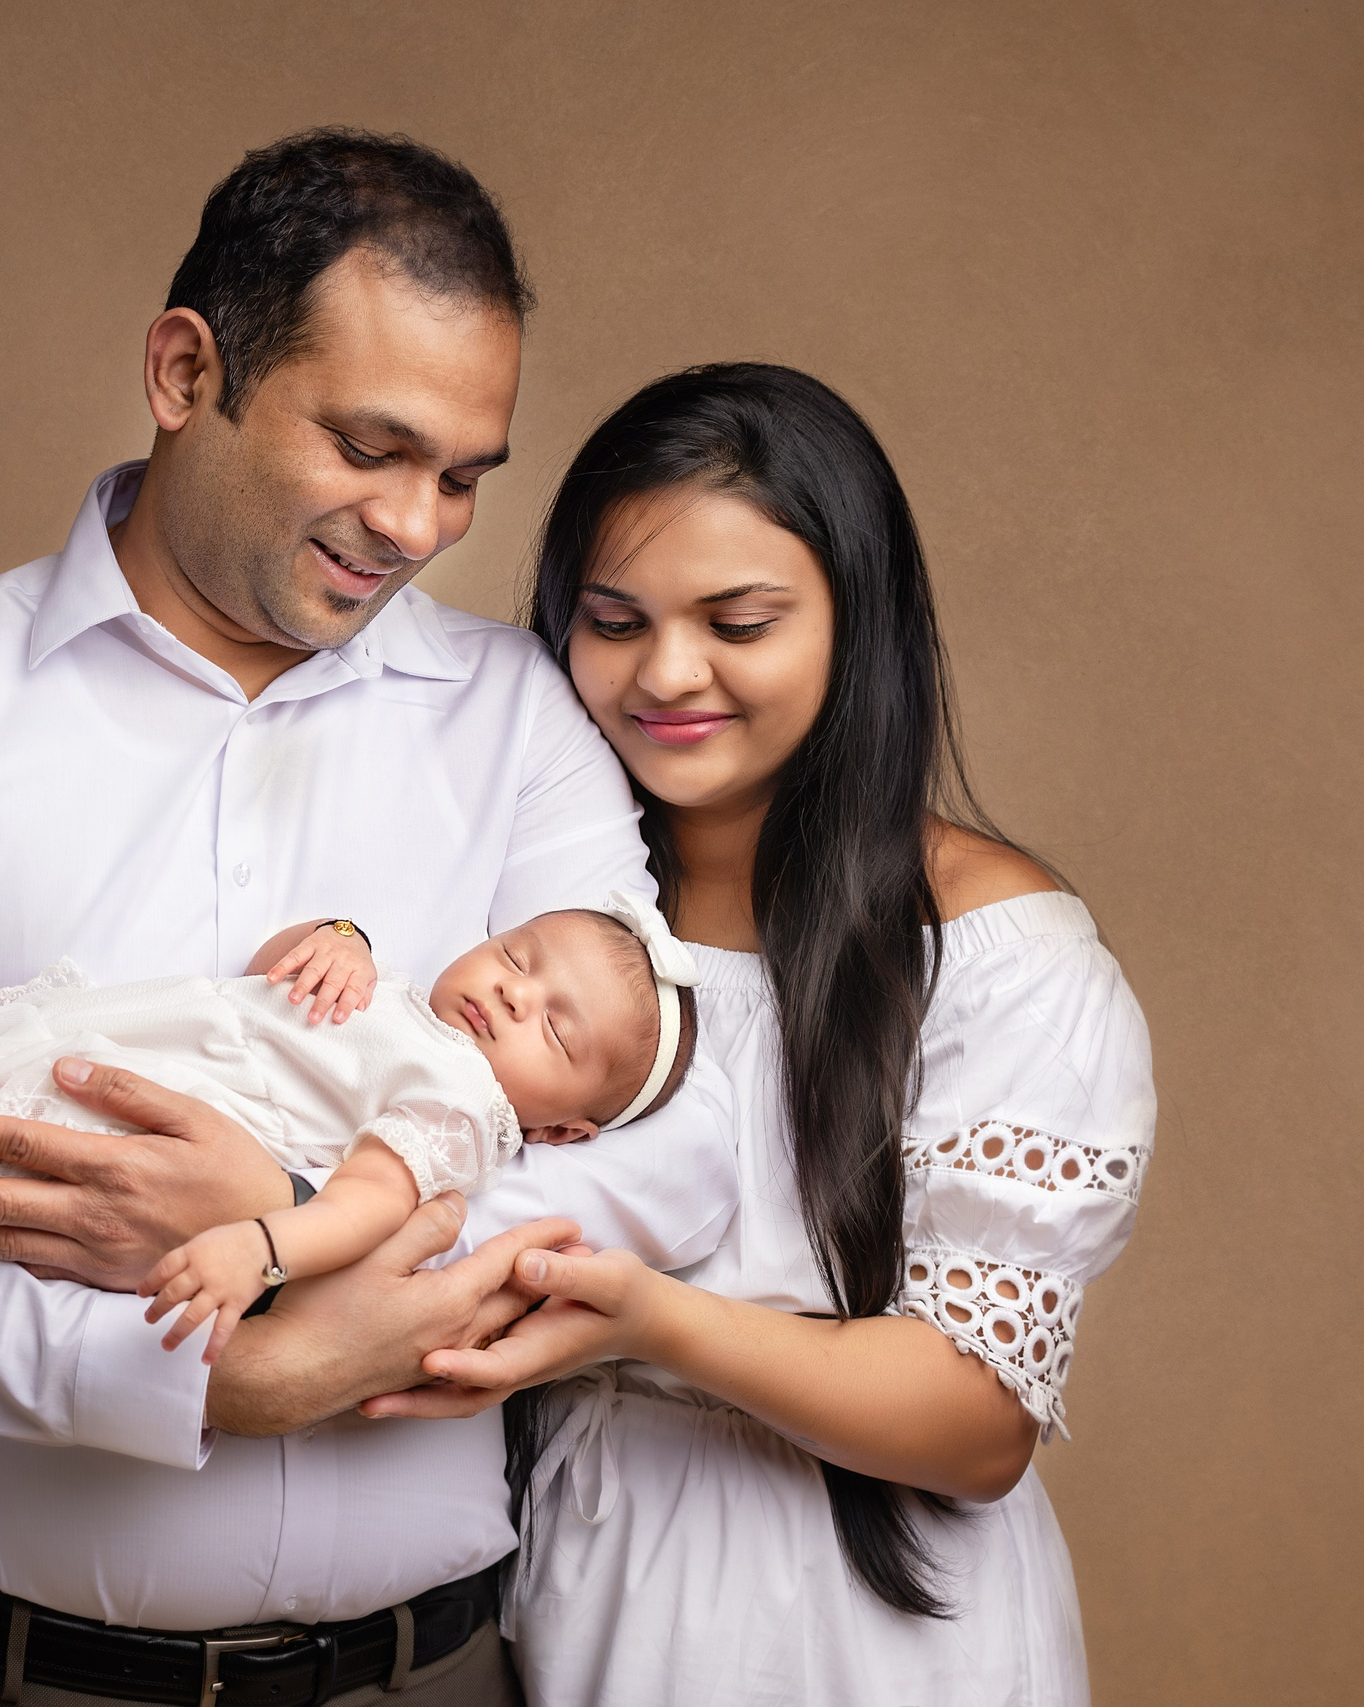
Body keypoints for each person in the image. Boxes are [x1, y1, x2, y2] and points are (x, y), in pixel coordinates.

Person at [0, 129, 740, 1705]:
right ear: (183, 370)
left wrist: (291, 1220)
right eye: (371, 448)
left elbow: (669, 1153)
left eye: (461, 476)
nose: (421, 524)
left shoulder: (523, 718)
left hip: (428, 1675)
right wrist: (219, 1368)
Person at [365, 363, 1155, 1705]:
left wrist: (649, 1318)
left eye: (740, 621)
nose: (668, 672)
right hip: (568, 1579)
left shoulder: (993, 948)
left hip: (861, 1625)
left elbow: (975, 1421)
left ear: (859, 624)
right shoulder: (549, 922)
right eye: (614, 620)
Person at [0, 900, 699, 1360]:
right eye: (516, 957)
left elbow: (371, 1200)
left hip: (136, 1108)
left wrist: (261, 1244)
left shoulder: (460, 1107)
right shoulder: (411, 1003)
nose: (511, 997)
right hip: (127, 1042)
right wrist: (337, 935)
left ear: (557, 1131)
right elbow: (280, 975)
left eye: (552, 1029)